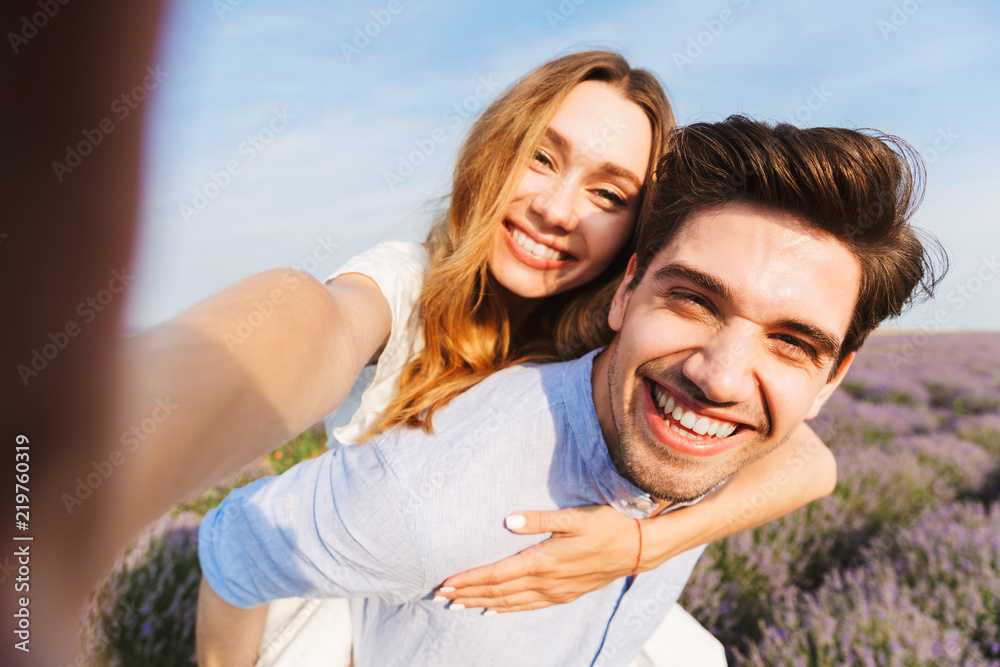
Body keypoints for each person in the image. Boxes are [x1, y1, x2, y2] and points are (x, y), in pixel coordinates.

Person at [196, 115, 944, 667]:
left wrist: (648, 543)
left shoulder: (715, 431)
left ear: (830, 379)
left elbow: (815, 464)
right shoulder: (422, 498)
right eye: (693, 300)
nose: (719, 379)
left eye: (792, 342)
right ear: (627, 294)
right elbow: (234, 543)